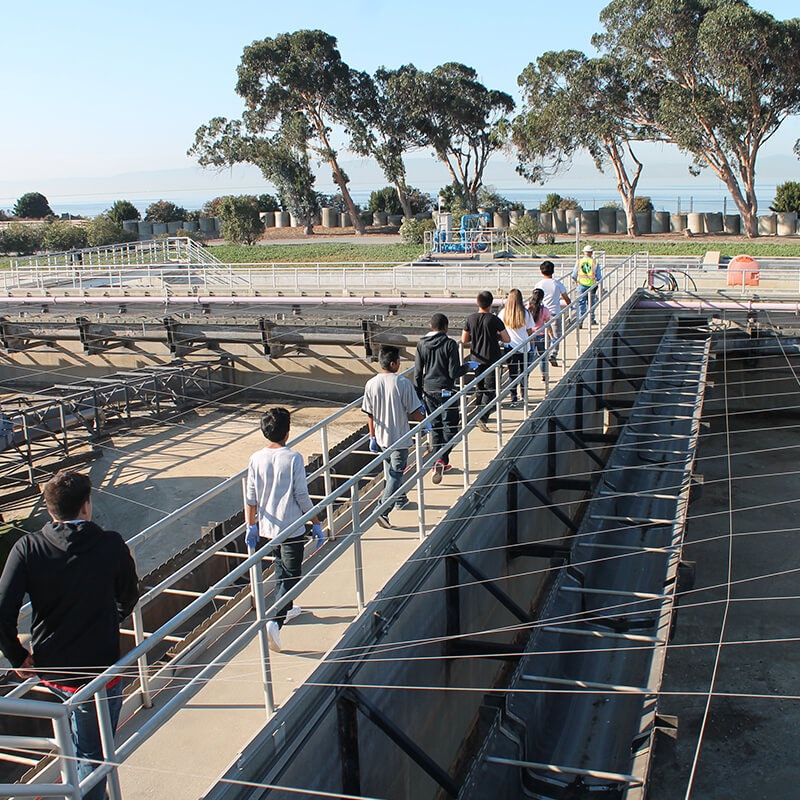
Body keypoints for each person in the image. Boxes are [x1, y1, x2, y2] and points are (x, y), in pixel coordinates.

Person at [0, 470, 140, 800]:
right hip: (98, 671)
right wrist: (111, 619)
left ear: (50, 510)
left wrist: (18, 657)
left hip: (51, 670)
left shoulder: (28, 547)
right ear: (86, 506)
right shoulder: (110, 543)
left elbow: (2, 611)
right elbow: (129, 595)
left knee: (78, 744)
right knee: (93, 752)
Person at [245, 407, 324, 653]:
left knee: (280, 569)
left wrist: (251, 525)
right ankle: (275, 621)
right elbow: (301, 495)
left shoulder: (256, 458)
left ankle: (287, 610)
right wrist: (316, 522)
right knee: (293, 575)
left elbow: (251, 497)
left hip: (267, 529)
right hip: (291, 528)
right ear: (287, 432)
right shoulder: (293, 458)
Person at [362, 346, 425, 529]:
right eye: (398, 361)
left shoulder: (371, 383)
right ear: (393, 363)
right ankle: (382, 511)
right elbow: (414, 410)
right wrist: (427, 423)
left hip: (381, 439)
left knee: (390, 472)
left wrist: (372, 437)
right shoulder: (402, 383)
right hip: (399, 439)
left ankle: (400, 499)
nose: (399, 364)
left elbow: (369, 414)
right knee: (396, 475)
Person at [414, 313, 478, 483]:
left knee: (435, 426)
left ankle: (438, 462)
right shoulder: (450, 344)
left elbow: (418, 373)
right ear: (446, 327)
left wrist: (418, 396)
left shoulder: (421, 344)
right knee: (450, 426)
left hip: (428, 390)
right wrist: (467, 366)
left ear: (430, 326)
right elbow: (453, 372)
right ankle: (442, 458)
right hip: (446, 391)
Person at [462, 290, 510, 431]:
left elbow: (464, 339)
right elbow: (507, 338)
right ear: (490, 304)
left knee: (480, 388)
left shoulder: (470, 319)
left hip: (476, 359)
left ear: (478, 303)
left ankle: (480, 412)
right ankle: (482, 417)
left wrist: (475, 337)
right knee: (490, 390)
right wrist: (496, 337)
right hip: (492, 359)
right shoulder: (494, 320)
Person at [498, 290, 535, 406]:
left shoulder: (503, 313)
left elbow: (499, 330)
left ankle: (513, 398)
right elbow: (530, 331)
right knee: (524, 373)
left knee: (512, 374)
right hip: (525, 346)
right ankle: (524, 395)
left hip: (510, 347)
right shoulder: (526, 313)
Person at [533, 260, 571, 367]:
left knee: (542, 335)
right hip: (554, 312)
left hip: (541, 313)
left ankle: (543, 353)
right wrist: (570, 306)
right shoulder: (557, 283)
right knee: (555, 335)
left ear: (541, 271)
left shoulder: (538, 284)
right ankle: (553, 354)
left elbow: (535, 299)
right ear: (553, 271)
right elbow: (566, 298)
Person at [572, 244, 602, 324]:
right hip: (592, 286)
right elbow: (599, 277)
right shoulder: (595, 262)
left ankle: (580, 321)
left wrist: (576, 281)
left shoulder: (579, 261)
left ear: (584, 252)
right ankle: (591, 320)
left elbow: (574, 275)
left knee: (581, 303)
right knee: (591, 303)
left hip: (581, 285)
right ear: (591, 253)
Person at [528, 288, 552, 382]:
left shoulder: (528, 308)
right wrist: (552, 335)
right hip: (541, 335)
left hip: (530, 336)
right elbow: (547, 324)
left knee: (529, 358)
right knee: (542, 357)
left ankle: (526, 376)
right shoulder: (544, 310)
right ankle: (544, 376)